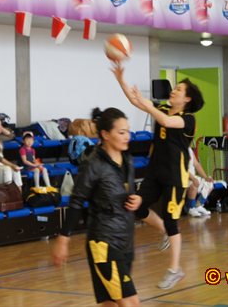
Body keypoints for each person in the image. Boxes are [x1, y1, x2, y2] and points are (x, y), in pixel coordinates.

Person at [113, 65, 204, 290]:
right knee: (136, 206)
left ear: (187, 99)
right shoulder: (162, 108)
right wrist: (121, 79)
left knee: (172, 220)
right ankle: (164, 230)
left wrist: (147, 105)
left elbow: (166, 122)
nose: (173, 91)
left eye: (179, 89)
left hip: (175, 177)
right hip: (154, 172)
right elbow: (135, 100)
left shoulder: (188, 120)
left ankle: (174, 269)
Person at [52, 107, 141, 307]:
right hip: (104, 242)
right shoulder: (93, 165)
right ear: (105, 135)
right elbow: (76, 201)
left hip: (126, 240)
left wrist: (137, 200)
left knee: (110, 303)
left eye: (128, 131)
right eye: (121, 132)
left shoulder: (128, 159)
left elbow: (127, 192)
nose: (127, 136)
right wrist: (63, 239)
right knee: (131, 303)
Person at [0, 116, 23, 188]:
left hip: (1, 162)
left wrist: (1, 129)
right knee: (8, 169)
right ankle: (7, 191)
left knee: (16, 170)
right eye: (0, 125)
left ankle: (19, 192)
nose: (2, 126)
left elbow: (11, 136)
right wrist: (12, 165)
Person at [186, 150, 214, 218]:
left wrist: (206, 177)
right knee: (194, 184)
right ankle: (191, 208)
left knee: (209, 184)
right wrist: (193, 178)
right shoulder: (179, 149)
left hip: (192, 177)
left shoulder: (189, 150)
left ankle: (198, 206)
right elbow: (182, 169)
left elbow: (197, 165)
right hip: (183, 178)